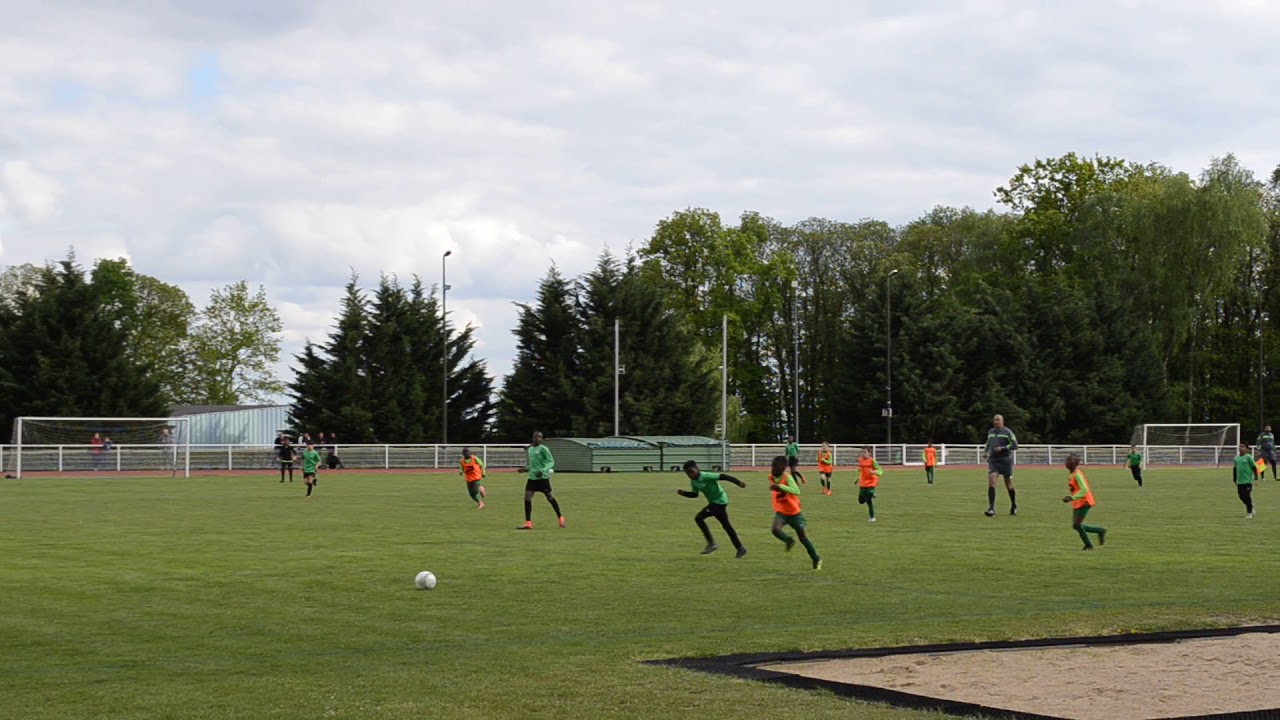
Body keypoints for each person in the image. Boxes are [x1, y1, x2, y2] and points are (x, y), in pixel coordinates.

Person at [676, 459, 747, 558]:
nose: (691, 475)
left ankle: (711, 544)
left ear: (697, 469)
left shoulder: (706, 476)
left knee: (699, 518)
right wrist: (683, 493)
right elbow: (695, 494)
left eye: (692, 472)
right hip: (714, 503)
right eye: (688, 473)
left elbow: (723, 476)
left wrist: (738, 483)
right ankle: (740, 548)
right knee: (726, 526)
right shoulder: (694, 482)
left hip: (720, 501)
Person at [768, 455, 821, 570]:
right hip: (782, 511)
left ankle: (816, 559)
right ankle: (789, 540)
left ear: (782, 469)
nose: (772, 469)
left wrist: (781, 487)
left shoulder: (787, 477)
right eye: (772, 466)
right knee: (775, 529)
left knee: (803, 538)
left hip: (794, 512)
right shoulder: (771, 477)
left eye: (774, 467)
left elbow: (796, 491)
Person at [519, 432, 564, 530]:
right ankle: (528, 523)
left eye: (539, 437)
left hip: (543, 478)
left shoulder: (544, 449)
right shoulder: (530, 449)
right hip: (532, 478)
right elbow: (534, 464)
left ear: (542, 439)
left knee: (550, 498)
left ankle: (560, 518)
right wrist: (526, 469)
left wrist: (543, 470)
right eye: (536, 437)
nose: (537, 438)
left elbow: (551, 461)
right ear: (533, 438)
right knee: (527, 497)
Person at [1062, 454, 1106, 551]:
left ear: (1075, 464)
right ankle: (1100, 531)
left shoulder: (1077, 474)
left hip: (1085, 501)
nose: (1067, 463)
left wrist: (1071, 497)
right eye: (1067, 460)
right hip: (1077, 501)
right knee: (1076, 526)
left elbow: (1084, 489)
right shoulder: (1072, 474)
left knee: (1077, 525)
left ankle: (1089, 545)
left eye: (1070, 461)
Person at [983, 414, 1019, 517]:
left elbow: (1015, 445)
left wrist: (1003, 448)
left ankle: (1013, 505)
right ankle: (991, 508)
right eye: (994, 420)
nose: (996, 422)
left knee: (1009, 485)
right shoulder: (990, 432)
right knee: (992, 483)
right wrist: (985, 452)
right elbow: (988, 444)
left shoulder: (1007, 432)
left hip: (1005, 460)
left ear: (1002, 421)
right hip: (993, 461)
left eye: (998, 420)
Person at [856, 446, 882, 522]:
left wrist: (874, 472)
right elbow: (859, 470)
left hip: (871, 481)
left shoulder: (872, 461)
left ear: (869, 453)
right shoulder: (860, 460)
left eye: (865, 452)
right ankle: (871, 494)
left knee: (868, 499)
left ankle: (872, 517)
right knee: (861, 501)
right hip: (863, 483)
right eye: (862, 452)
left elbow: (880, 471)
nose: (863, 454)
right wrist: (857, 478)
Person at [1233, 442, 1256, 519]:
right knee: (1241, 496)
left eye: (1242, 446)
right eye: (1239, 446)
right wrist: (1234, 478)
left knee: (1247, 496)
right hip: (1240, 481)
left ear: (1246, 449)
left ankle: (1249, 513)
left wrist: (1255, 477)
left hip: (1247, 481)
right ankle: (1251, 507)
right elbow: (1235, 469)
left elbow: (1254, 467)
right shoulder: (1236, 458)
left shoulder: (1248, 457)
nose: (1240, 448)